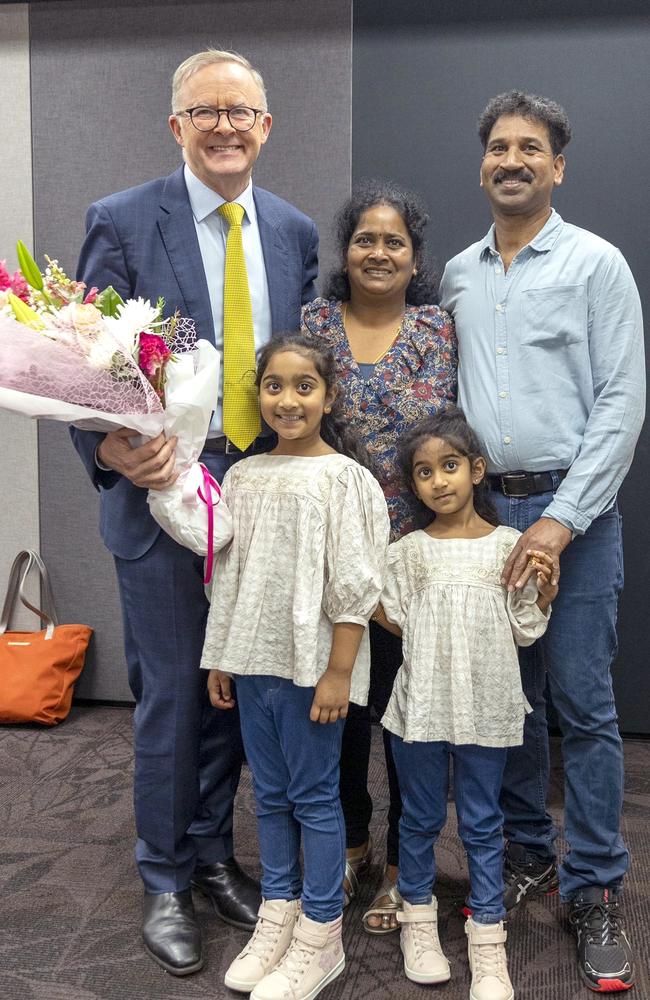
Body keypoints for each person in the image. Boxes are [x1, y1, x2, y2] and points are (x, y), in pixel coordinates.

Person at [70, 49, 318, 976]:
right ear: (178, 127)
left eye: (241, 112)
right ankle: (165, 876)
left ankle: (215, 855)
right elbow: (81, 360)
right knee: (174, 696)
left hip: (258, 503)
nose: (225, 126)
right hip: (162, 494)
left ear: (265, 127)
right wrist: (107, 447)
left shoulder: (292, 232)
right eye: (205, 111)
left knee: (234, 694)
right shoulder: (125, 220)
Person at [439, 90, 644, 993]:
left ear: (557, 166)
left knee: (582, 706)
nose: (511, 160)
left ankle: (596, 884)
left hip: (577, 515)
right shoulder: (456, 273)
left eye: (530, 147)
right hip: (483, 517)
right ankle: (530, 852)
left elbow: (622, 404)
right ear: (481, 165)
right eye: (497, 147)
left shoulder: (597, 265)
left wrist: (561, 523)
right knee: (507, 702)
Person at [201, 333, 390, 1000]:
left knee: (314, 796)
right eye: (274, 385)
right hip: (254, 664)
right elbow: (227, 576)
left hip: (315, 671)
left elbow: (356, 587)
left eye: (304, 386)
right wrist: (222, 655)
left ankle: (320, 932)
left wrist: (340, 672)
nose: (288, 399)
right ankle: (277, 913)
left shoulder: (346, 480)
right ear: (259, 394)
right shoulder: (244, 477)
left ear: (329, 395)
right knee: (272, 794)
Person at [301, 181, 456, 933]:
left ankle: (402, 868)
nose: (379, 251)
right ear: (346, 249)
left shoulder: (436, 328)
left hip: (407, 562)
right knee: (339, 714)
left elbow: (445, 438)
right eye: (366, 237)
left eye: (395, 241)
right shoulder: (313, 323)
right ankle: (353, 843)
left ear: (415, 256)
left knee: (403, 721)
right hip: (330, 557)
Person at [374, 408, 556, 1000]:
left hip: (487, 706)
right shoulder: (408, 552)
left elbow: (525, 629)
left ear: (476, 470)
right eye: (424, 473)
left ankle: (488, 940)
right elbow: (396, 617)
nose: (439, 481)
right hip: (422, 705)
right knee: (420, 819)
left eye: (449, 466)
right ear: (415, 485)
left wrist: (543, 589)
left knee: (482, 824)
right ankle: (418, 925)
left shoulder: (509, 546)